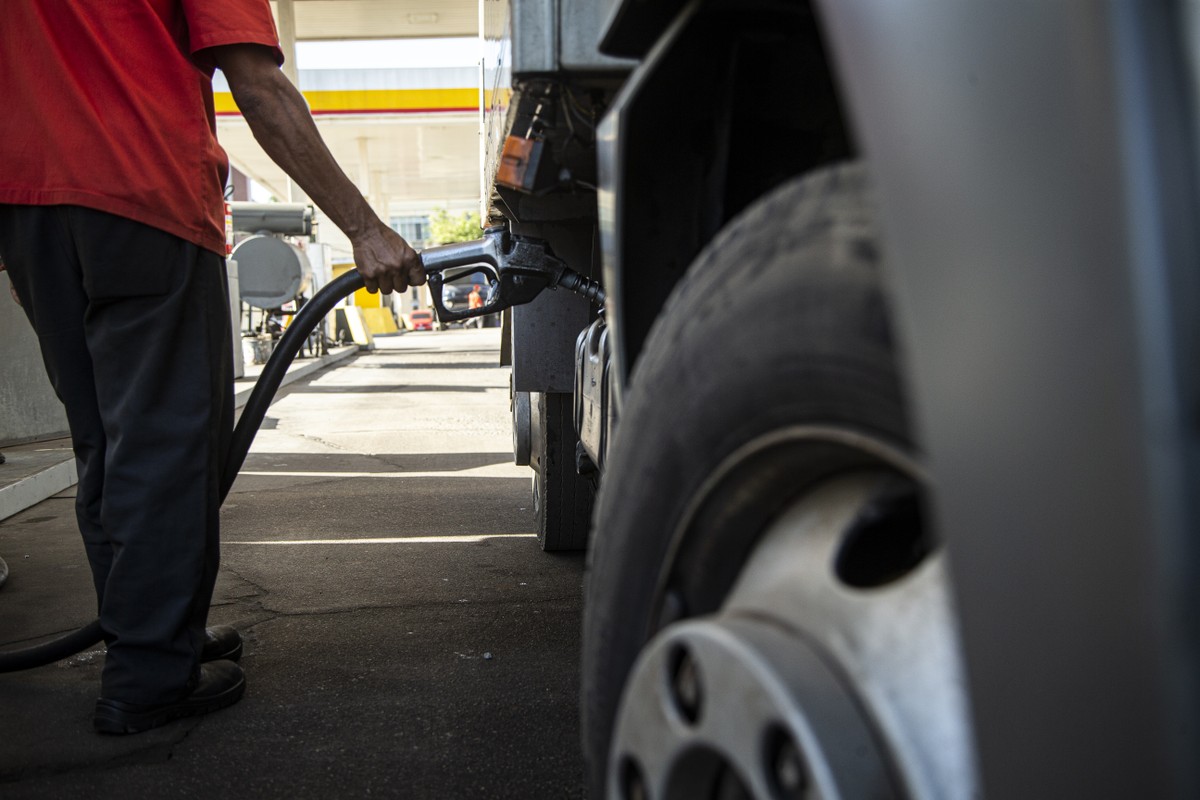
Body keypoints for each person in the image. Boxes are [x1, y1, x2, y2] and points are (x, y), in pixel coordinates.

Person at [0, 1, 425, 735]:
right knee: (166, 443)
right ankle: (150, 676)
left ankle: (153, 633)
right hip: (144, 192)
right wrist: (364, 227)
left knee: (103, 437)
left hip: (27, 204)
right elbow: (256, 84)